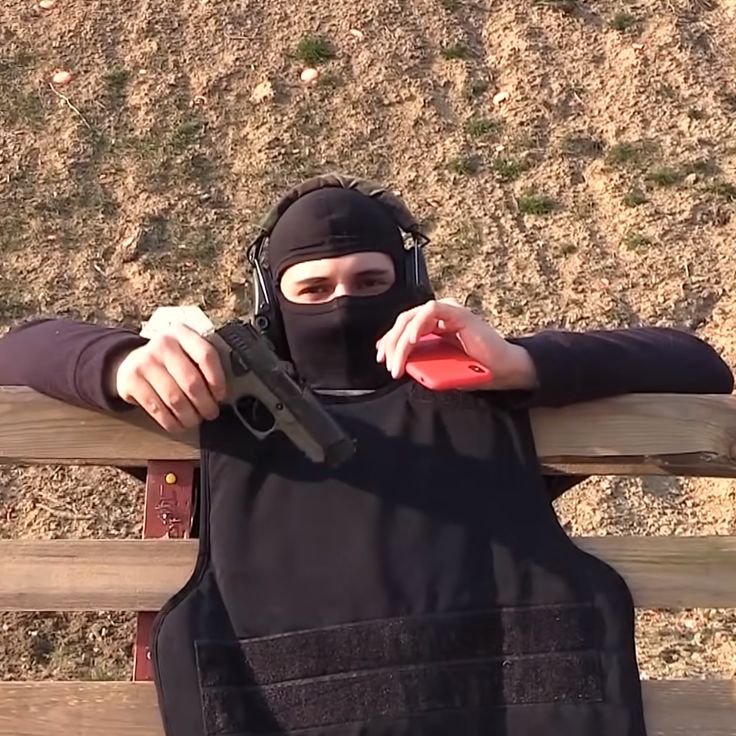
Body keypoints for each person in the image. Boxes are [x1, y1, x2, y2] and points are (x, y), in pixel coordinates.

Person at [0, 177, 732, 736]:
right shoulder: (225, 413)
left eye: (370, 282)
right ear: (271, 300)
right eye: (313, 288)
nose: (343, 303)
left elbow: (696, 363)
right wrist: (122, 362)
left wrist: (521, 360)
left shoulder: (482, 394)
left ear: (410, 286)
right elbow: (20, 349)